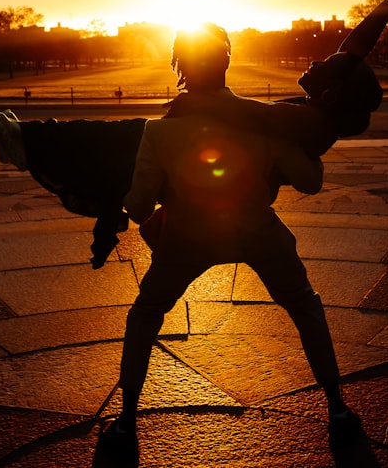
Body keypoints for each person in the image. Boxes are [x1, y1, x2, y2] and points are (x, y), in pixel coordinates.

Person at [0, 0, 388, 265]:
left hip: (214, 169)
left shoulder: (310, 121)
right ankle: (45, 148)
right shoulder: (321, 111)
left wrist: (201, 98)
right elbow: (354, 48)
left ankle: (33, 141)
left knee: (123, 138)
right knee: (123, 142)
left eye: (323, 66)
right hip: (215, 156)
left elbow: (250, 114)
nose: (316, 61)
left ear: (334, 95)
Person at [98, 24, 359, 460]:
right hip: (258, 231)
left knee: (145, 315)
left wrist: (121, 198)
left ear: (180, 67)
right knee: (303, 305)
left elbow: (141, 208)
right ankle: (337, 408)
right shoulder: (266, 122)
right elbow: (309, 182)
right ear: (227, 62)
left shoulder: (158, 132)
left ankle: (126, 422)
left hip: (185, 237)